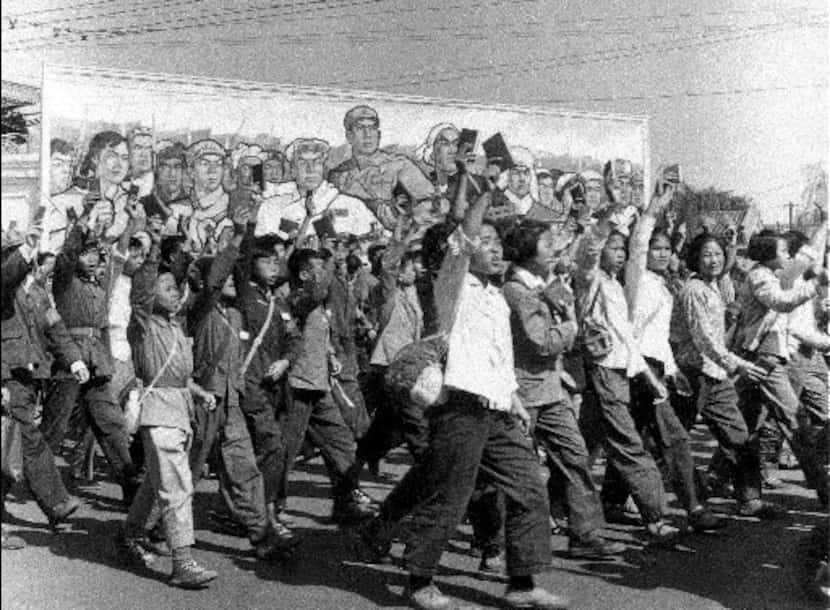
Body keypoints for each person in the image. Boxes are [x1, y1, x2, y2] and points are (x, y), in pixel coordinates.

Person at [361, 189, 569, 610]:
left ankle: (522, 583)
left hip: (496, 408)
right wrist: (485, 192)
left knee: (529, 489)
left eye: (498, 244)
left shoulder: (495, 295)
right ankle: (419, 581)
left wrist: (513, 397)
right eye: (485, 244)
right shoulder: (452, 287)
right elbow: (464, 235)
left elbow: (498, 354)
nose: (495, 251)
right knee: (450, 497)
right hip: (459, 408)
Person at [501, 218, 626, 559]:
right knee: (506, 472)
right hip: (523, 392)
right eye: (546, 243)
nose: (554, 247)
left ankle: (585, 534)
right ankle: (490, 541)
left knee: (575, 456)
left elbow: (571, 303)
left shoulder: (546, 282)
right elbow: (542, 341)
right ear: (528, 251)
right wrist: (571, 326)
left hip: (551, 388)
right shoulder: (516, 291)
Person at [609, 181, 723, 531]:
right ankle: (693, 508)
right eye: (654, 248)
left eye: (665, 248)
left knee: (635, 440)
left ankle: (609, 501)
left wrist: (673, 370)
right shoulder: (636, 277)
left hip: (657, 366)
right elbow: (640, 242)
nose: (660, 253)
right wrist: (654, 208)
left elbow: (659, 335)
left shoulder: (662, 284)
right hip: (636, 367)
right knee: (674, 440)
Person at [118, 220, 218, 588]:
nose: (176, 293)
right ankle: (183, 562)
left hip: (180, 410)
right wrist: (156, 248)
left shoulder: (175, 326)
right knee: (176, 488)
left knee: (157, 484)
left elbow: (179, 375)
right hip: (159, 413)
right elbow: (142, 290)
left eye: (177, 288)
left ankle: (130, 533)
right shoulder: (143, 324)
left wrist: (199, 392)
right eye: (167, 287)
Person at [572, 203, 678, 543]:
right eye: (613, 248)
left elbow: (628, 342)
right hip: (603, 373)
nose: (619, 254)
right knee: (630, 446)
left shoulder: (618, 286)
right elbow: (588, 253)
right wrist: (605, 224)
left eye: (622, 249)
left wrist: (649, 376)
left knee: (581, 449)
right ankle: (656, 517)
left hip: (618, 373)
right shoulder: (590, 281)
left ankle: (559, 507)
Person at [671, 233, 777, 517]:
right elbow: (705, 339)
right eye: (707, 254)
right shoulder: (693, 290)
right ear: (695, 258)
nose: (714, 260)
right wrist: (737, 364)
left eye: (718, 254)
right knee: (669, 441)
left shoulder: (715, 286)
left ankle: (750, 499)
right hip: (692, 374)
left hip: (714, 374)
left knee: (738, 435)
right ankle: (622, 498)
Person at [42, 207, 139, 505]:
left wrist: (132, 223)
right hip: (69, 361)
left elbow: (120, 255)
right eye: (87, 253)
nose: (93, 257)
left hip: (97, 363)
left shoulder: (100, 284)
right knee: (54, 429)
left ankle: (130, 484)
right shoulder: (65, 280)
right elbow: (69, 254)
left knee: (112, 425)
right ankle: (38, 483)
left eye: (95, 253)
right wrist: (82, 223)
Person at [2, 226, 87, 549]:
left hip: (28, 377)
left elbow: (56, 328)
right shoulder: (4, 286)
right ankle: (56, 503)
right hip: (6, 377)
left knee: (9, 448)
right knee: (28, 440)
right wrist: (24, 250)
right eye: (11, 253)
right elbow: (7, 275)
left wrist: (74, 360)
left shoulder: (37, 291)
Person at [278, 247, 376, 524]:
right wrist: (334, 263)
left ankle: (345, 501)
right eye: (319, 268)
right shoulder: (296, 296)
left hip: (320, 385)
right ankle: (272, 509)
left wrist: (331, 354)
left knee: (342, 442)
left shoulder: (318, 304)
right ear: (304, 273)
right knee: (286, 451)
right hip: (297, 386)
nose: (326, 274)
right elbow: (316, 293)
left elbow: (322, 332)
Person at [730, 231, 826, 510]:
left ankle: (744, 494)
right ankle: (825, 490)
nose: (788, 257)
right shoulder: (760, 277)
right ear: (768, 254)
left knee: (744, 426)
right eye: (783, 251)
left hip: (768, 358)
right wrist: (815, 284)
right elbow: (781, 301)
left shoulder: (772, 274)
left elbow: (802, 265)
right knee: (797, 424)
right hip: (764, 361)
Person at [328, 105, 435, 229]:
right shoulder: (338, 175)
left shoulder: (400, 165)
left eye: (372, 128)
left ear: (378, 134)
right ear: (349, 136)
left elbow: (433, 205)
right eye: (360, 128)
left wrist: (406, 222)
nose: (367, 135)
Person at [255, 138, 378, 238]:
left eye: (317, 162)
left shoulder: (352, 204)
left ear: (324, 169)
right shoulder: (272, 207)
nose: (310, 169)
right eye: (303, 163)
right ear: (292, 170)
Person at [181, 139, 231, 252]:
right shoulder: (179, 209)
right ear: (191, 171)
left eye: (218, 164)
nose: (212, 170)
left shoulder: (232, 206)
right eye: (205, 164)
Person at [128, 127, 155, 198]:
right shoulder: (123, 184)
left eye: (148, 148)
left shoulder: (159, 186)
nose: (144, 154)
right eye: (138, 148)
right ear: (128, 152)